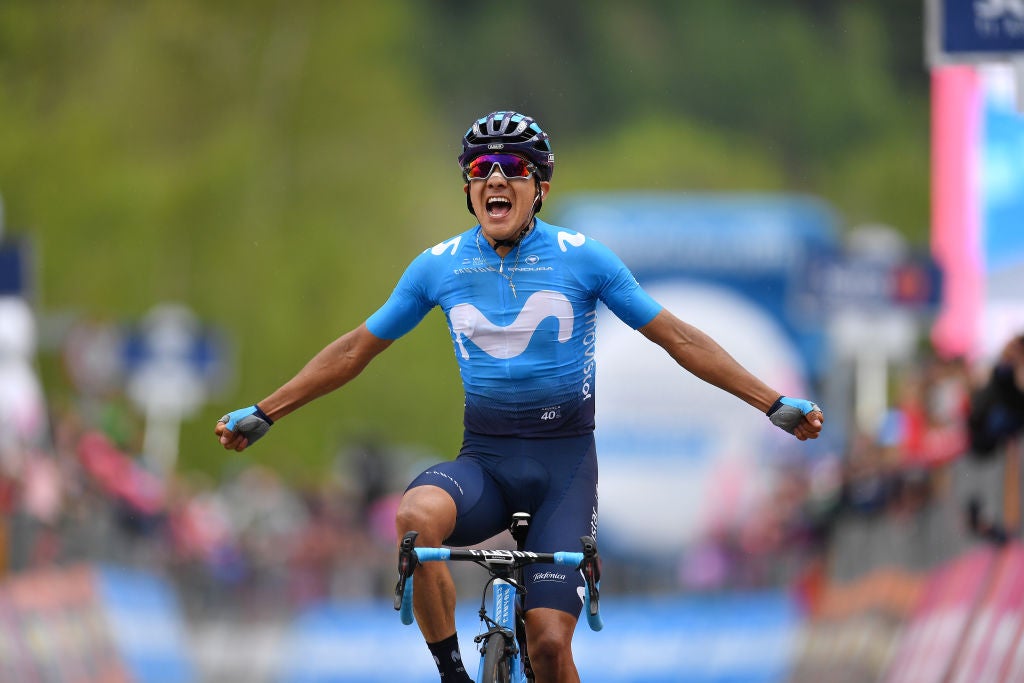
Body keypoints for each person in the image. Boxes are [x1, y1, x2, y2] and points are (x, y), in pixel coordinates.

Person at [215, 110, 824, 683]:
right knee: (413, 520)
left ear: (541, 188)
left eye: (514, 169)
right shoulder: (438, 266)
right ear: (468, 189)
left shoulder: (583, 259)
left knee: (551, 645)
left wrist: (772, 403)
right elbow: (354, 350)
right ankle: (453, 673)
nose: (497, 180)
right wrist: (266, 411)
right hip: (484, 463)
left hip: (564, 471)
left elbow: (680, 338)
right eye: (482, 170)